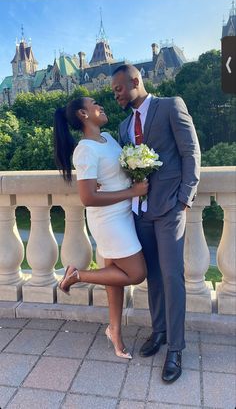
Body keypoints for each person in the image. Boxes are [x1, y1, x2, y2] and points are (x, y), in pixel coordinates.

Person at [111, 64, 201, 383]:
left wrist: (185, 199)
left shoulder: (170, 106)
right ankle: (159, 331)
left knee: (173, 276)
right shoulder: (124, 127)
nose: (116, 94)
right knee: (154, 277)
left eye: (119, 88)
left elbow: (190, 153)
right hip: (140, 211)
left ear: (135, 81)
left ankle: (176, 349)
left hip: (170, 208)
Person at [53, 96, 148, 360]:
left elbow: (114, 175)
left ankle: (115, 332)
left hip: (123, 214)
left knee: (114, 275)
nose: (101, 106)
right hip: (108, 220)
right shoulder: (84, 149)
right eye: (95, 103)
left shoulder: (108, 137)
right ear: (83, 114)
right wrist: (132, 191)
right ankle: (76, 276)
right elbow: (88, 197)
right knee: (136, 273)